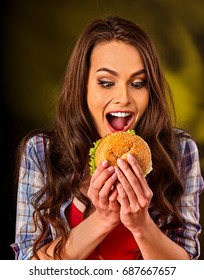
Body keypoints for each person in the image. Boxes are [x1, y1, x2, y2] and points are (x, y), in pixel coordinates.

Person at [11, 15, 204, 260]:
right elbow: (26, 267)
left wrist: (141, 224)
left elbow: (187, 270)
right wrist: (102, 219)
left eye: (138, 83)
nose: (124, 97)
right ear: (83, 87)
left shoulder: (180, 151)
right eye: (106, 82)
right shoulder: (40, 151)